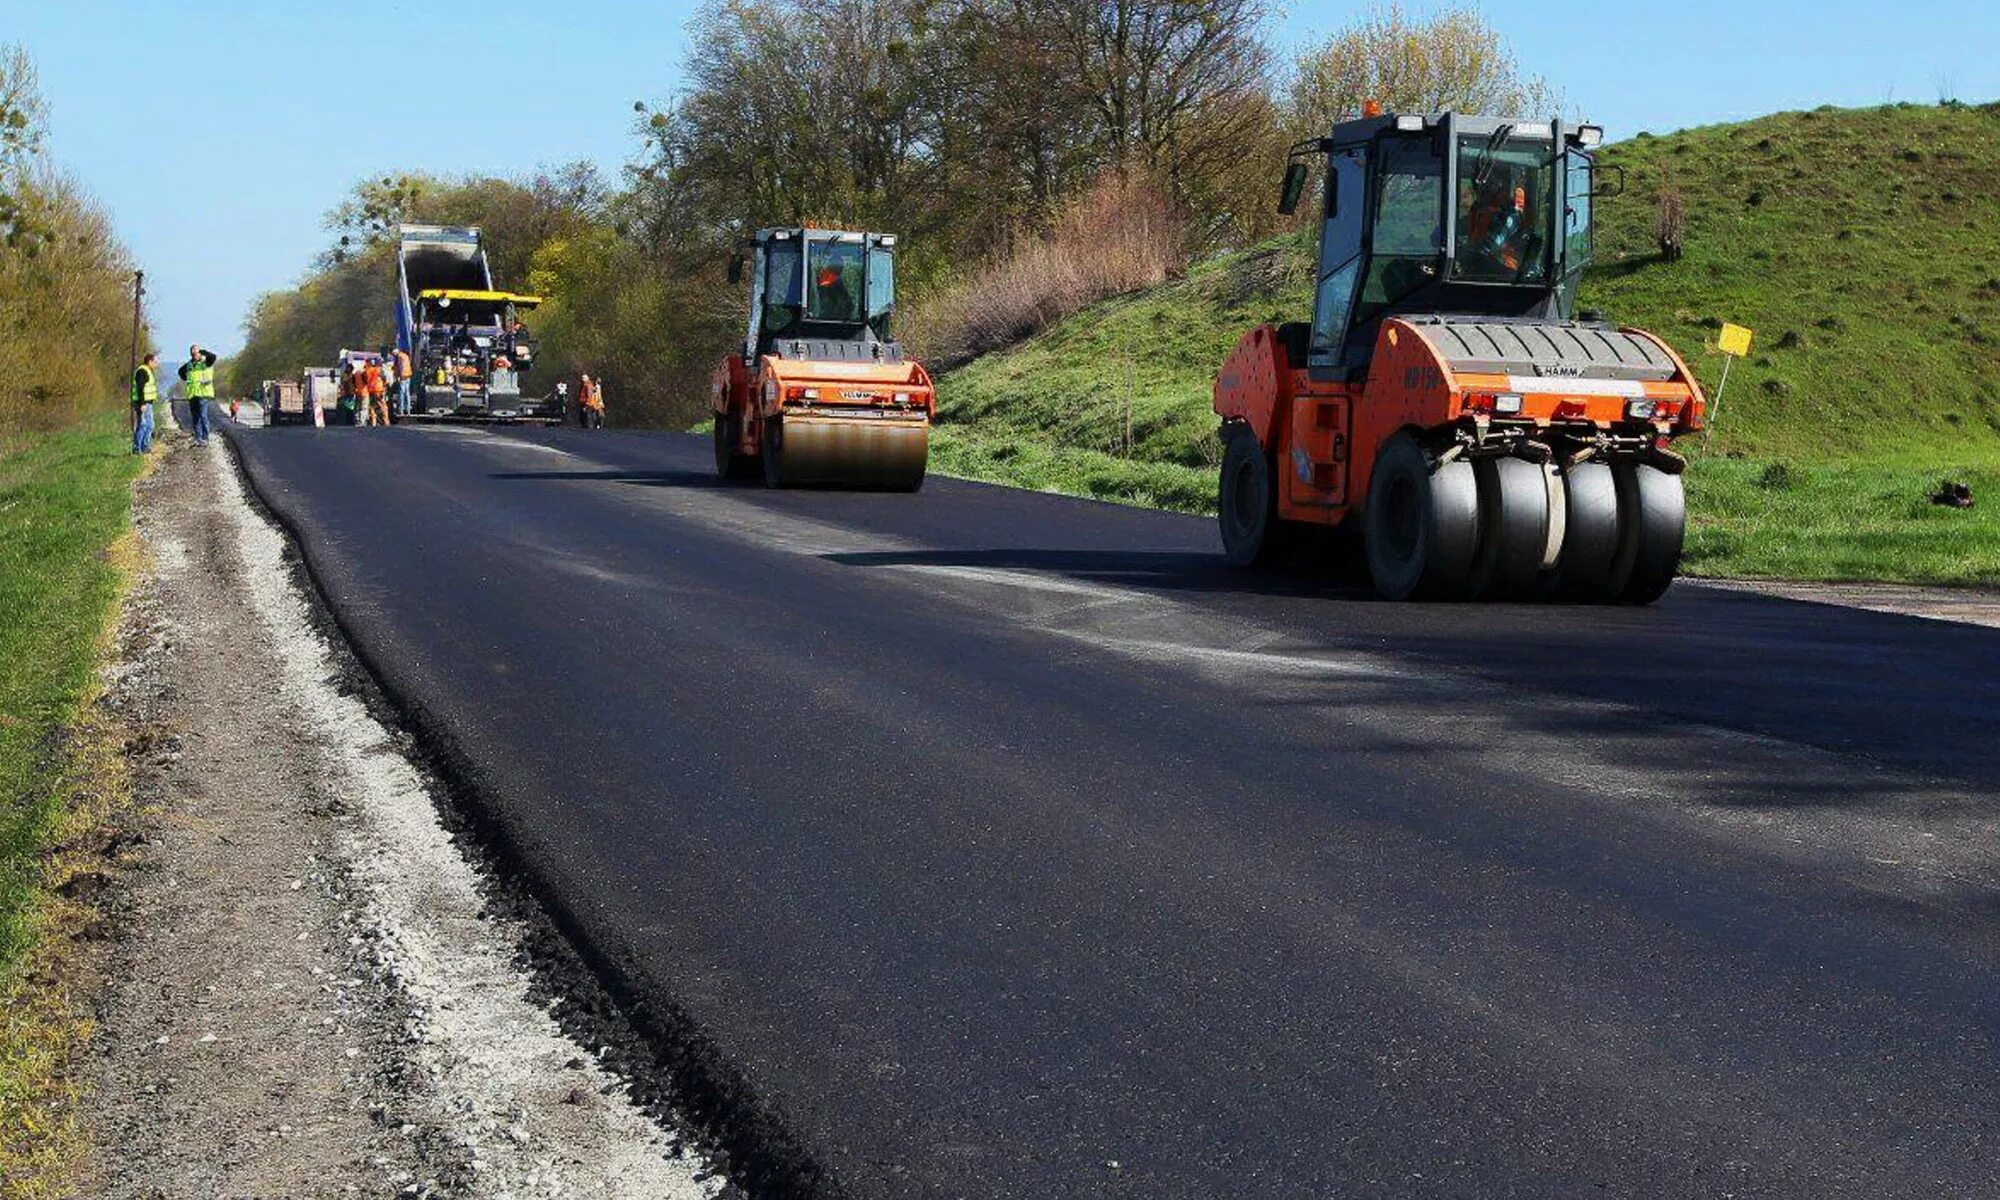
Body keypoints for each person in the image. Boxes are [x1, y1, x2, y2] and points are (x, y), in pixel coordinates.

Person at [179, 344, 218, 445]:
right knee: (195, 417)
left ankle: (205, 437)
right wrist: (186, 377)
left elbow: (213, 357)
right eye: (193, 353)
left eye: (196, 353)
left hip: (203, 394)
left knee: (203, 415)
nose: (194, 355)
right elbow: (180, 372)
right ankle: (198, 437)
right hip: (193, 394)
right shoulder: (189, 365)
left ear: (199, 353)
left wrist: (202, 352)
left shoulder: (206, 362)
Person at [131, 352, 159, 454]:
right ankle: (137, 448)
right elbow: (140, 388)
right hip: (142, 403)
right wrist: (142, 403)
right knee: (143, 425)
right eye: (155, 362)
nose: (156, 364)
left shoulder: (147, 371)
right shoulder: (142, 371)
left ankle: (144, 446)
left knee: (150, 425)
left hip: (148, 403)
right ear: (150, 361)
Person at [362, 357, 391, 427]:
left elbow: (364, 380)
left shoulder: (368, 370)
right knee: (383, 406)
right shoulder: (379, 370)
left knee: (372, 406)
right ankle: (386, 421)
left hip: (370, 390)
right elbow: (385, 380)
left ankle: (373, 421)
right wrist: (385, 388)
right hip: (378, 390)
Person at [390, 344, 413, 416]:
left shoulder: (399, 357)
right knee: (407, 393)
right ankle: (408, 409)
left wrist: (399, 376)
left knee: (401, 393)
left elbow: (402, 367)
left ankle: (401, 410)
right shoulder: (405, 356)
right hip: (408, 376)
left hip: (403, 377)